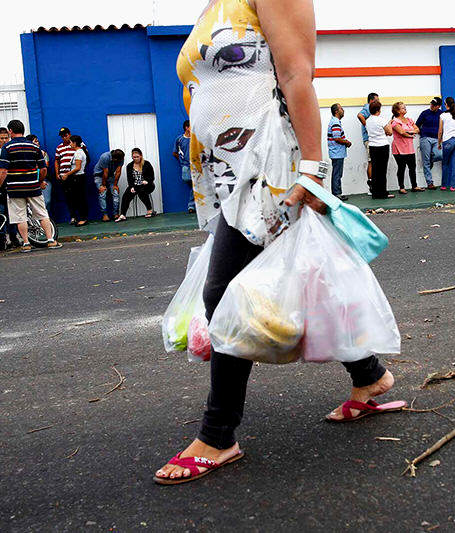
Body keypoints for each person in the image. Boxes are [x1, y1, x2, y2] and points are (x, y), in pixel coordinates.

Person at [158, 0, 402, 485]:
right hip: (231, 170)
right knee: (310, 280)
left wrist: (312, 170)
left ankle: (218, 435)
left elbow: (295, 75)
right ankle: (369, 376)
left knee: (223, 292)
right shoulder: (215, 5)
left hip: (270, 164)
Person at [0, 120, 60, 251]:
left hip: (15, 188)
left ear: (10, 131)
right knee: (42, 213)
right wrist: (39, 181)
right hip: (33, 187)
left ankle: (26, 243)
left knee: (20, 216)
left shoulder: (7, 147)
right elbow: (43, 169)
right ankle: (50, 240)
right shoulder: (34, 147)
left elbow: (3, 171)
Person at [116, 148, 155, 221]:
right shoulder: (129, 166)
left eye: (137, 157)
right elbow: (130, 179)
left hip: (147, 185)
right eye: (134, 157)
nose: (136, 158)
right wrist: (131, 187)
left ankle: (150, 210)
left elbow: (152, 176)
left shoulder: (146, 164)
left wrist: (147, 181)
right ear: (132, 157)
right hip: (135, 185)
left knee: (142, 192)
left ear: (141, 156)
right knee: (126, 195)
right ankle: (122, 214)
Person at [365, 99, 394, 199]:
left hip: (372, 146)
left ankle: (375, 193)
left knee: (375, 170)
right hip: (382, 146)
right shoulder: (381, 120)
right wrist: (389, 123)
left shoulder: (368, 121)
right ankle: (383, 193)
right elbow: (389, 132)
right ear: (379, 110)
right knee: (382, 170)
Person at [390, 101, 421, 194]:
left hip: (409, 147)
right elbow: (402, 132)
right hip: (399, 148)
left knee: (412, 167)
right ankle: (401, 187)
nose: (405, 108)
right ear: (398, 111)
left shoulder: (409, 120)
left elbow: (417, 129)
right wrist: (411, 133)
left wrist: (409, 132)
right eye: (403, 108)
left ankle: (414, 186)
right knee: (401, 167)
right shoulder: (395, 122)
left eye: (405, 107)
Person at [60, 135, 89, 226]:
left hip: (78, 178)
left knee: (80, 198)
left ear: (75, 143)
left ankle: (83, 218)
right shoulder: (78, 152)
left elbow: (77, 168)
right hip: (77, 178)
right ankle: (81, 217)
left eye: (71, 142)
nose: (70, 144)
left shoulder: (78, 153)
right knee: (77, 198)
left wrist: (67, 174)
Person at [416, 97, 443, 189]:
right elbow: (417, 125)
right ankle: (429, 182)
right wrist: (422, 133)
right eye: (431, 104)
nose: (432, 106)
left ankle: (430, 160)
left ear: (438, 106)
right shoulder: (425, 113)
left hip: (437, 139)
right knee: (426, 162)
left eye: (434, 105)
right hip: (425, 138)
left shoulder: (441, 114)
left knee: (439, 155)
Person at [327, 103, 351, 200]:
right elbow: (337, 138)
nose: (343, 110)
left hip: (337, 152)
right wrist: (347, 142)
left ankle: (337, 193)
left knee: (337, 173)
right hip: (337, 152)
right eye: (341, 108)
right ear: (336, 111)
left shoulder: (335, 122)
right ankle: (336, 194)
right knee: (337, 173)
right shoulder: (335, 123)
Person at [93, 149, 124, 221]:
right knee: (102, 193)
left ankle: (115, 214)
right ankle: (105, 215)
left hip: (110, 176)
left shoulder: (121, 157)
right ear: (114, 159)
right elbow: (105, 173)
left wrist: (115, 185)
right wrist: (103, 186)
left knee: (115, 192)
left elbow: (118, 172)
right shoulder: (105, 157)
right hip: (99, 175)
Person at [357, 92, 379, 191]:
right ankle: (371, 186)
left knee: (374, 162)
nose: (378, 102)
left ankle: (375, 184)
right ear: (371, 100)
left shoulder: (372, 109)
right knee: (371, 162)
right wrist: (368, 126)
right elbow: (360, 115)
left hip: (374, 139)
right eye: (376, 100)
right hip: (369, 139)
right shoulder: (367, 107)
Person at [25, 135, 52, 210]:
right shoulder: (25, 155)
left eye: (37, 141)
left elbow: (45, 166)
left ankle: (48, 220)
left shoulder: (43, 153)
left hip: (44, 179)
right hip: (31, 181)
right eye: (35, 141)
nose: (38, 143)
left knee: (47, 201)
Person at [173, 120, 194, 212]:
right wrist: (181, 160)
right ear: (186, 127)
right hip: (185, 165)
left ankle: (191, 206)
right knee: (187, 179)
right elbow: (175, 152)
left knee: (194, 184)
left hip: (195, 165)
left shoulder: (195, 138)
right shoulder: (179, 139)